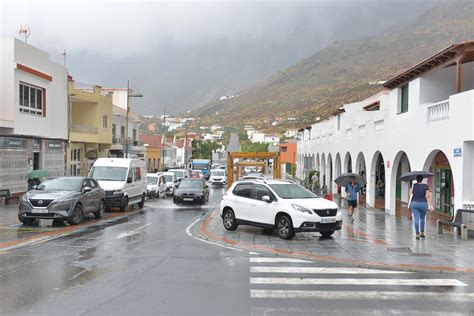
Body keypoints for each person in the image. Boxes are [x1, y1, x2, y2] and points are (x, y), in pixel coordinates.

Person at [410, 175, 433, 240]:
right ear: (422, 179)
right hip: (423, 204)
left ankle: (417, 234)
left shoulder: (414, 185)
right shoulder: (425, 186)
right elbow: (427, 196)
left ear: (416, 179)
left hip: (414, 203)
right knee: (422, 218)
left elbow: (412, 193)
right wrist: (431, 205)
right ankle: (422, 233)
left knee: (416, 218)